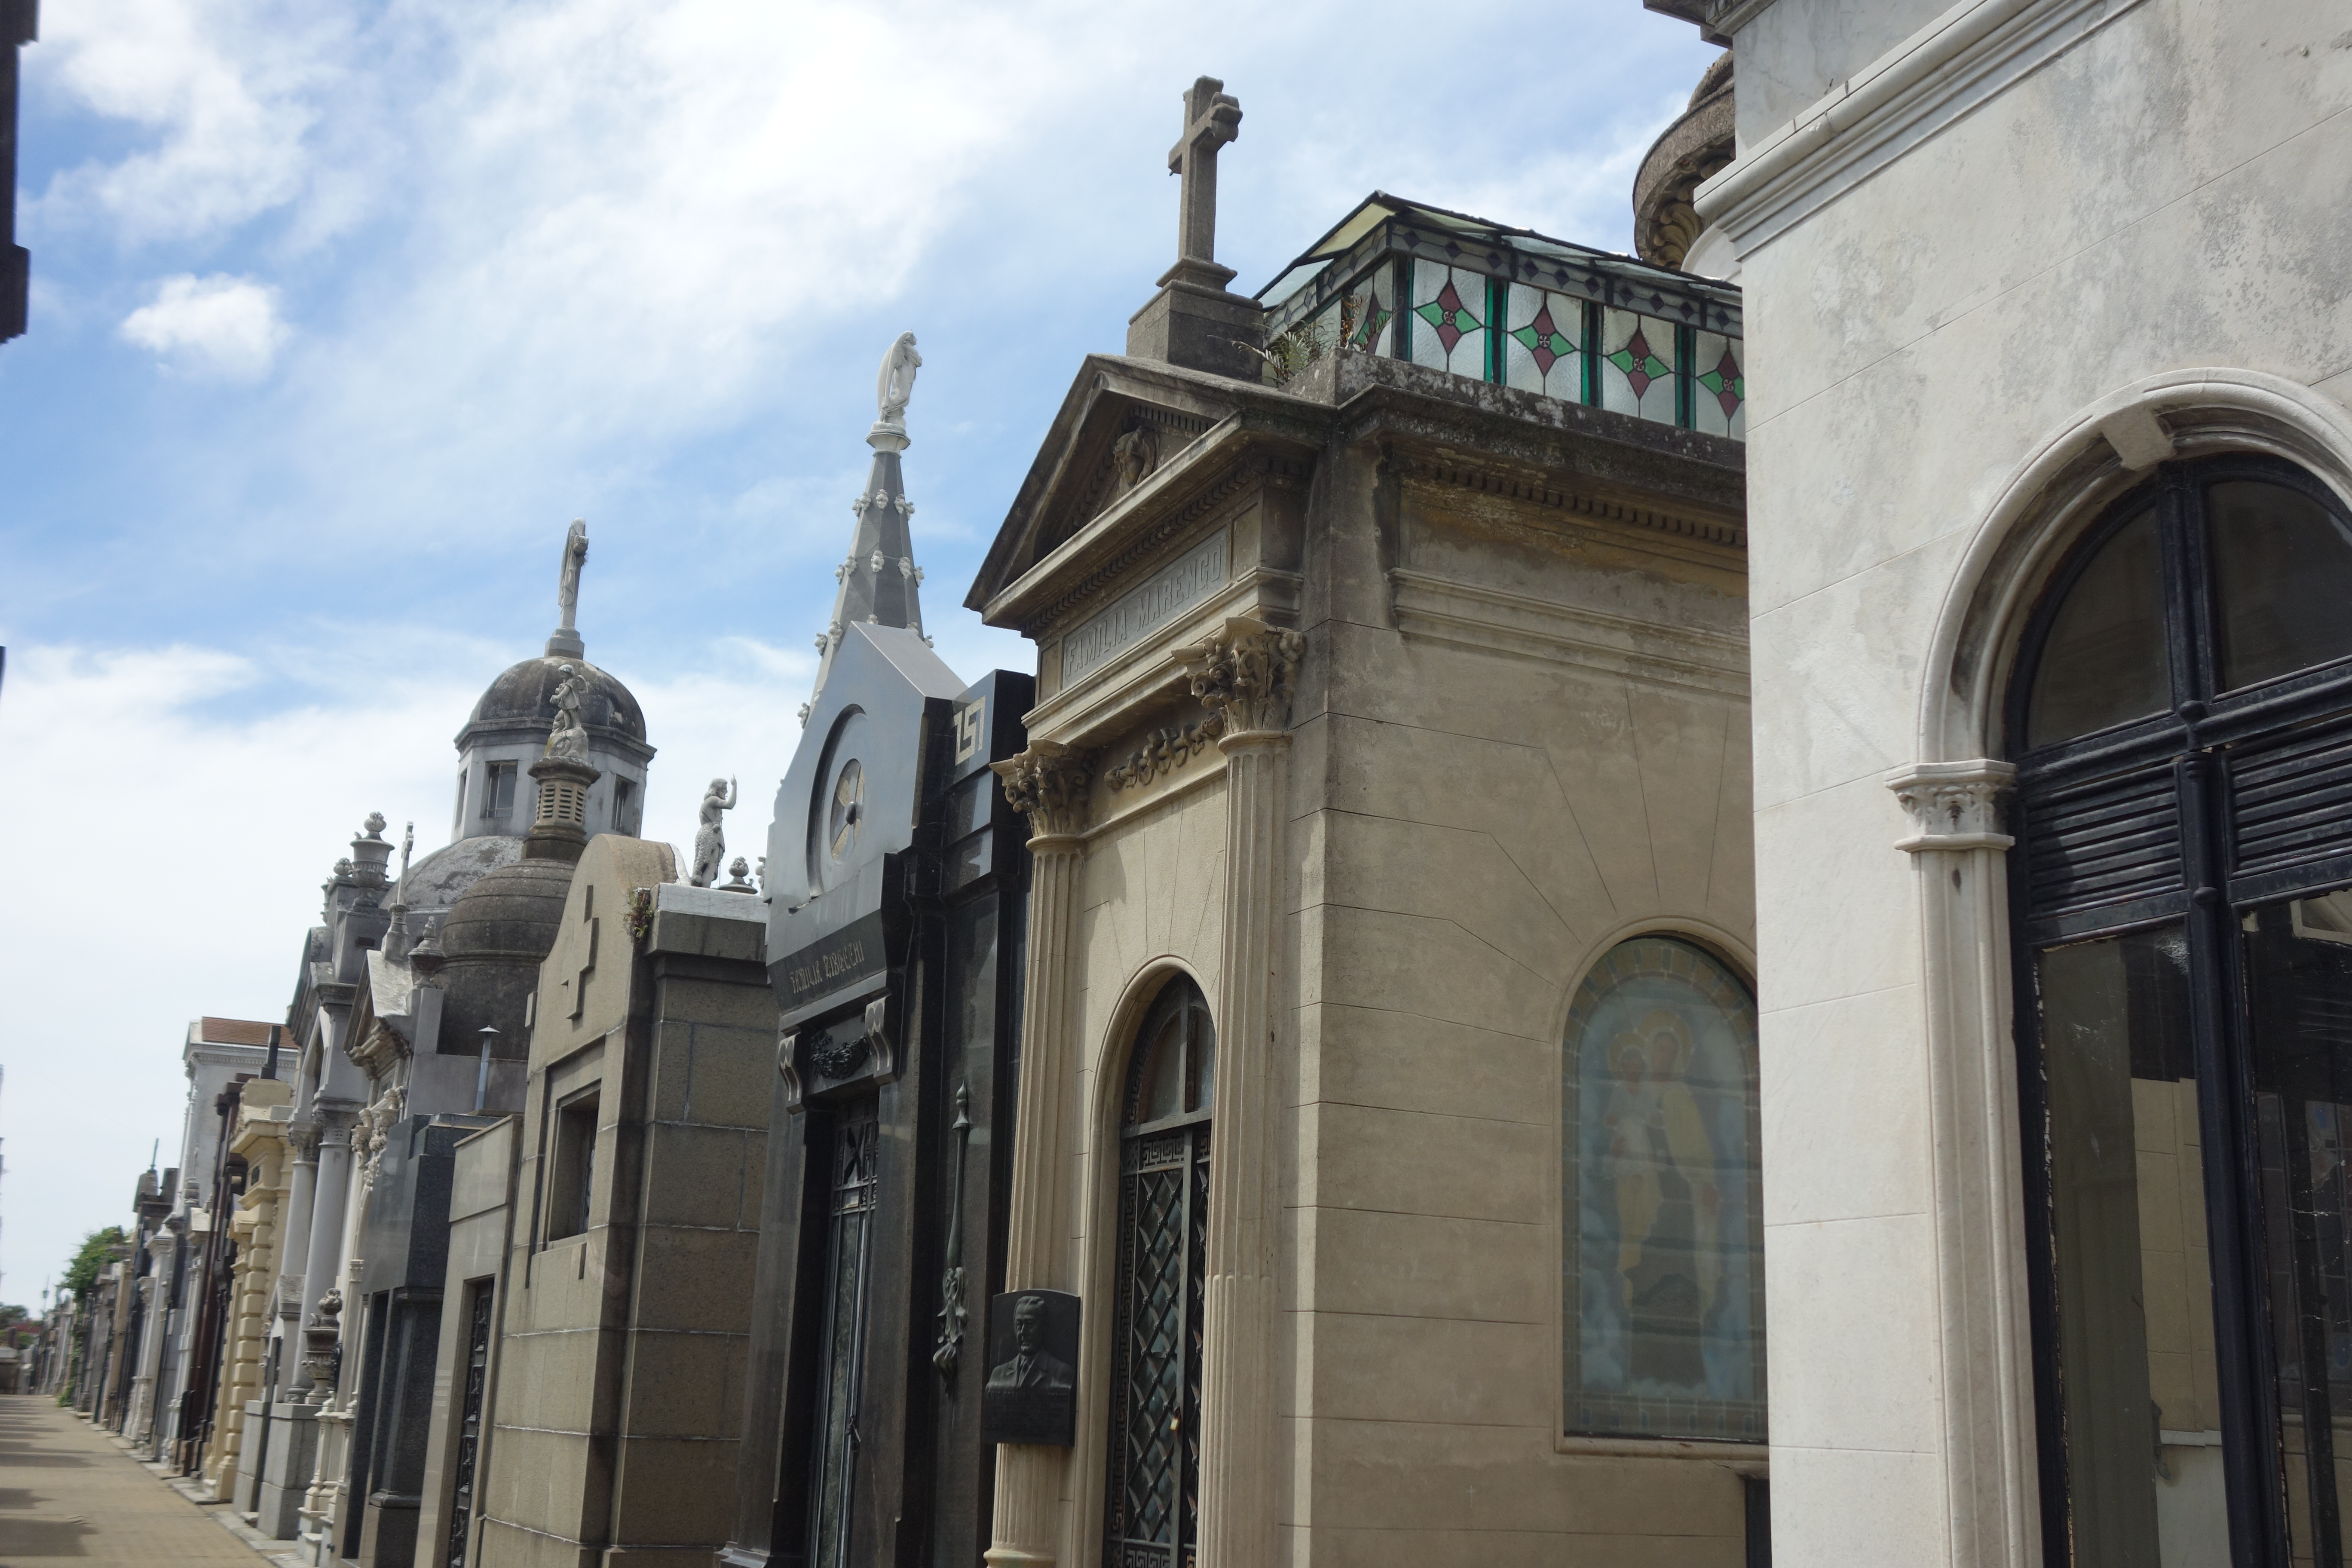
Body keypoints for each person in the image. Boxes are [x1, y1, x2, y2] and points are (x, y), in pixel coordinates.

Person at [986, 1293, 1072, 1391]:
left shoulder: (1061, 1373)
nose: (1023, 1332)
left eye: (1030, 1324)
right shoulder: (998, 1375)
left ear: (1043, 1326)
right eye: (1019, 1325)